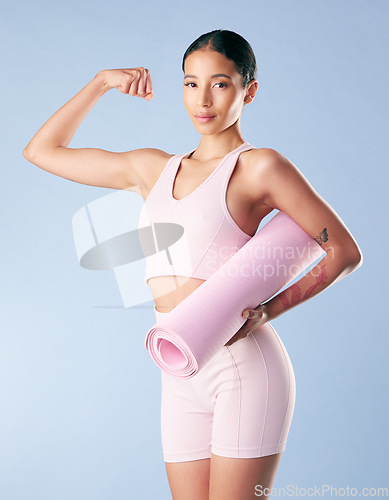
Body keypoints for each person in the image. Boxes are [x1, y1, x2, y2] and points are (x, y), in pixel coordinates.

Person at [23, 29, 362, 500]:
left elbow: (343, 251)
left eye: (220, 84)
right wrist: (101, 82)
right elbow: (41, 152)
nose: (202, 99)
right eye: (190, 83)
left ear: (250, 90)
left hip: (241, 367)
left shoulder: (259, 168)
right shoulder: (151, 169)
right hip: (177, 370)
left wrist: (270, 310)